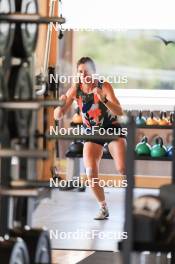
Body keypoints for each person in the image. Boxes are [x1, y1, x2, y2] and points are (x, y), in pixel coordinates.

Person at [54, 57, 126, 220]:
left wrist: (104, 99)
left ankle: (135, 206)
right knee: (90, 171)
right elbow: (58, 115)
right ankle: (103, 207)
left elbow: (120, 111)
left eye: (87, 71)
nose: (83, 75)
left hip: (112, 129)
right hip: (92, 133)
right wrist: (60, 105)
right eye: (80, 71)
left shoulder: (104, 85)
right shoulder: (75, 89)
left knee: (122, 168)